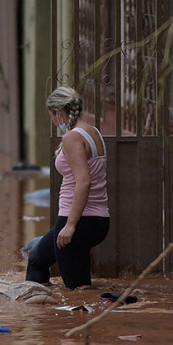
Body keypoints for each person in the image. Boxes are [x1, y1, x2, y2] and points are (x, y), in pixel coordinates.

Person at [25, 87, 110, 290]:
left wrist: (71, 225)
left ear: (58, 112)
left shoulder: (72, 138)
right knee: (37, 259)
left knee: (77, 291)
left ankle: (55, 311)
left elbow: (84, 181)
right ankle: (43, 307)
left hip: (78, 220)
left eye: (52, 118)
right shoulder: (93, 132)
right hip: (98, 219)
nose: (54, 123)